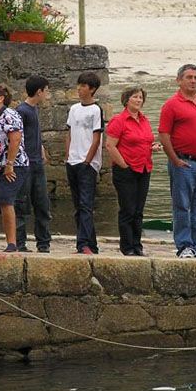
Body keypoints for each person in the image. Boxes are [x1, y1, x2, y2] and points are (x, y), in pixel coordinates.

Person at [158, 64, 196, 259]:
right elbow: (163, 134)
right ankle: (185, 245)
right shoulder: (171, 104)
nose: (193, 81)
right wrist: (174, 159)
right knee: (182, 206)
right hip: (183, 163)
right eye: (189, 77)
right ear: (179, 80)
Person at [104, 86, 156, 256]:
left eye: (141, 97)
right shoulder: (119, 120)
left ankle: (137, 245)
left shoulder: (145, 120)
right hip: (126, 170)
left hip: (144, 168)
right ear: (127, 100)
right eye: (135, 97)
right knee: (128, 209)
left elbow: (145, 142)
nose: (139, 100)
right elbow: (110, 145)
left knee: (139, 210)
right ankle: (127, 247)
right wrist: (124, 165)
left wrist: (152, 147)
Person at [65, 71, 104, 255]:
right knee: (78, 205)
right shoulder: (74, 109)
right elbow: (69, 133)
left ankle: (84, 244)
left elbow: (96, 137)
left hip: (86, 163)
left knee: (86, 204)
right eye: (79, 85)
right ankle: (88, 244)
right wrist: (68, 156)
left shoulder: (96, 110)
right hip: (72, 161)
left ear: (92, 89)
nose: (79, 89)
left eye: (83, 86)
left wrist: (88, 160)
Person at [0, 84, 30, 253]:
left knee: (6, 199)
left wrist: (9, 164)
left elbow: (15, 140)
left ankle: (12, 243)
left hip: (14, 165)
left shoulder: (10, 115)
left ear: (0, 98)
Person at [15, 76, 53, 253]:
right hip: (25, 165)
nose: (48, 94)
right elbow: (17, 137)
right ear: (39, 92)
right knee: (22, 205)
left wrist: (42, 148)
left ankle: (43, 243)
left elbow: (34, 134)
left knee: (42, 204)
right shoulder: (22, 111)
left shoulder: (34, 109)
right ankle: (20, 243)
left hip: (37, 163)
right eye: (47, 90)